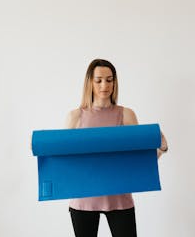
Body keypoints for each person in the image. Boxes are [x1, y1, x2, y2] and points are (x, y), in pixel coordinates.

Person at [65, 58, 168, 237]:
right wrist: (40, 148)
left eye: (109, 79)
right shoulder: (75, 117)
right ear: (90, 82)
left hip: (120, 199)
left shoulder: (126, 115)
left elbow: (138, 161)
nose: (104, 85)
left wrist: (160, 149)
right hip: (83, 200)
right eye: (98, 80)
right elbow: (64, 161)